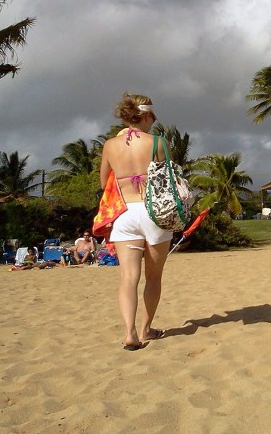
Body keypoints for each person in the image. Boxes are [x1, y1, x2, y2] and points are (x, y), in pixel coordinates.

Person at [99, 93, 172, 351]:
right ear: (146, 115)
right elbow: (168, 183)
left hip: (125, 214)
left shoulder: (110, 145)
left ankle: (130, 333)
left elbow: (103, 182)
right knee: (154, 277)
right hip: (154, 213)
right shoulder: (158, 142)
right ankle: (146, 328)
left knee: (128, 278)